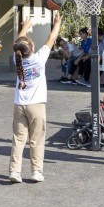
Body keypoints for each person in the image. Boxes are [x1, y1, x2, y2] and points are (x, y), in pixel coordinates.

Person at [9, 14, 62, 184]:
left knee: (18, 139)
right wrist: (57, 23)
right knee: (36, 140)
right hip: (36, 105)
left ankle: (15, 172)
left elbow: (18, 43)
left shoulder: (16, 59)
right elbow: (52, 38)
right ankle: (36, 171)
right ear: (32, 47)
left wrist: (25, 26)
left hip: (19, 104)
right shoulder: (39, 58)